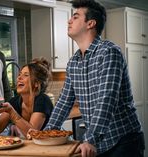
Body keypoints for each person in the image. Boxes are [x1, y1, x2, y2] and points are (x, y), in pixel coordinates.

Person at [44, 0, 145, 157]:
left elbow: (107, 99)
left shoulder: (109, 53)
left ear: (90, 23)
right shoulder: (73, 62)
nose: (69, 20)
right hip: (100, 143)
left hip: (124, 140)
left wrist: (90, 139)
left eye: (76, 17)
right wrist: (47, 132)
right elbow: (64, 102)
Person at [0, 57, 53, 138]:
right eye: (19, 74)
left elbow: (33, 134)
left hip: (52, 145)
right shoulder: (14, 102)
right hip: (33, 147)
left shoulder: (43, 100)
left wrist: (13, 114)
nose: (19, 78)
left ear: (36, 83)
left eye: (26, 75)